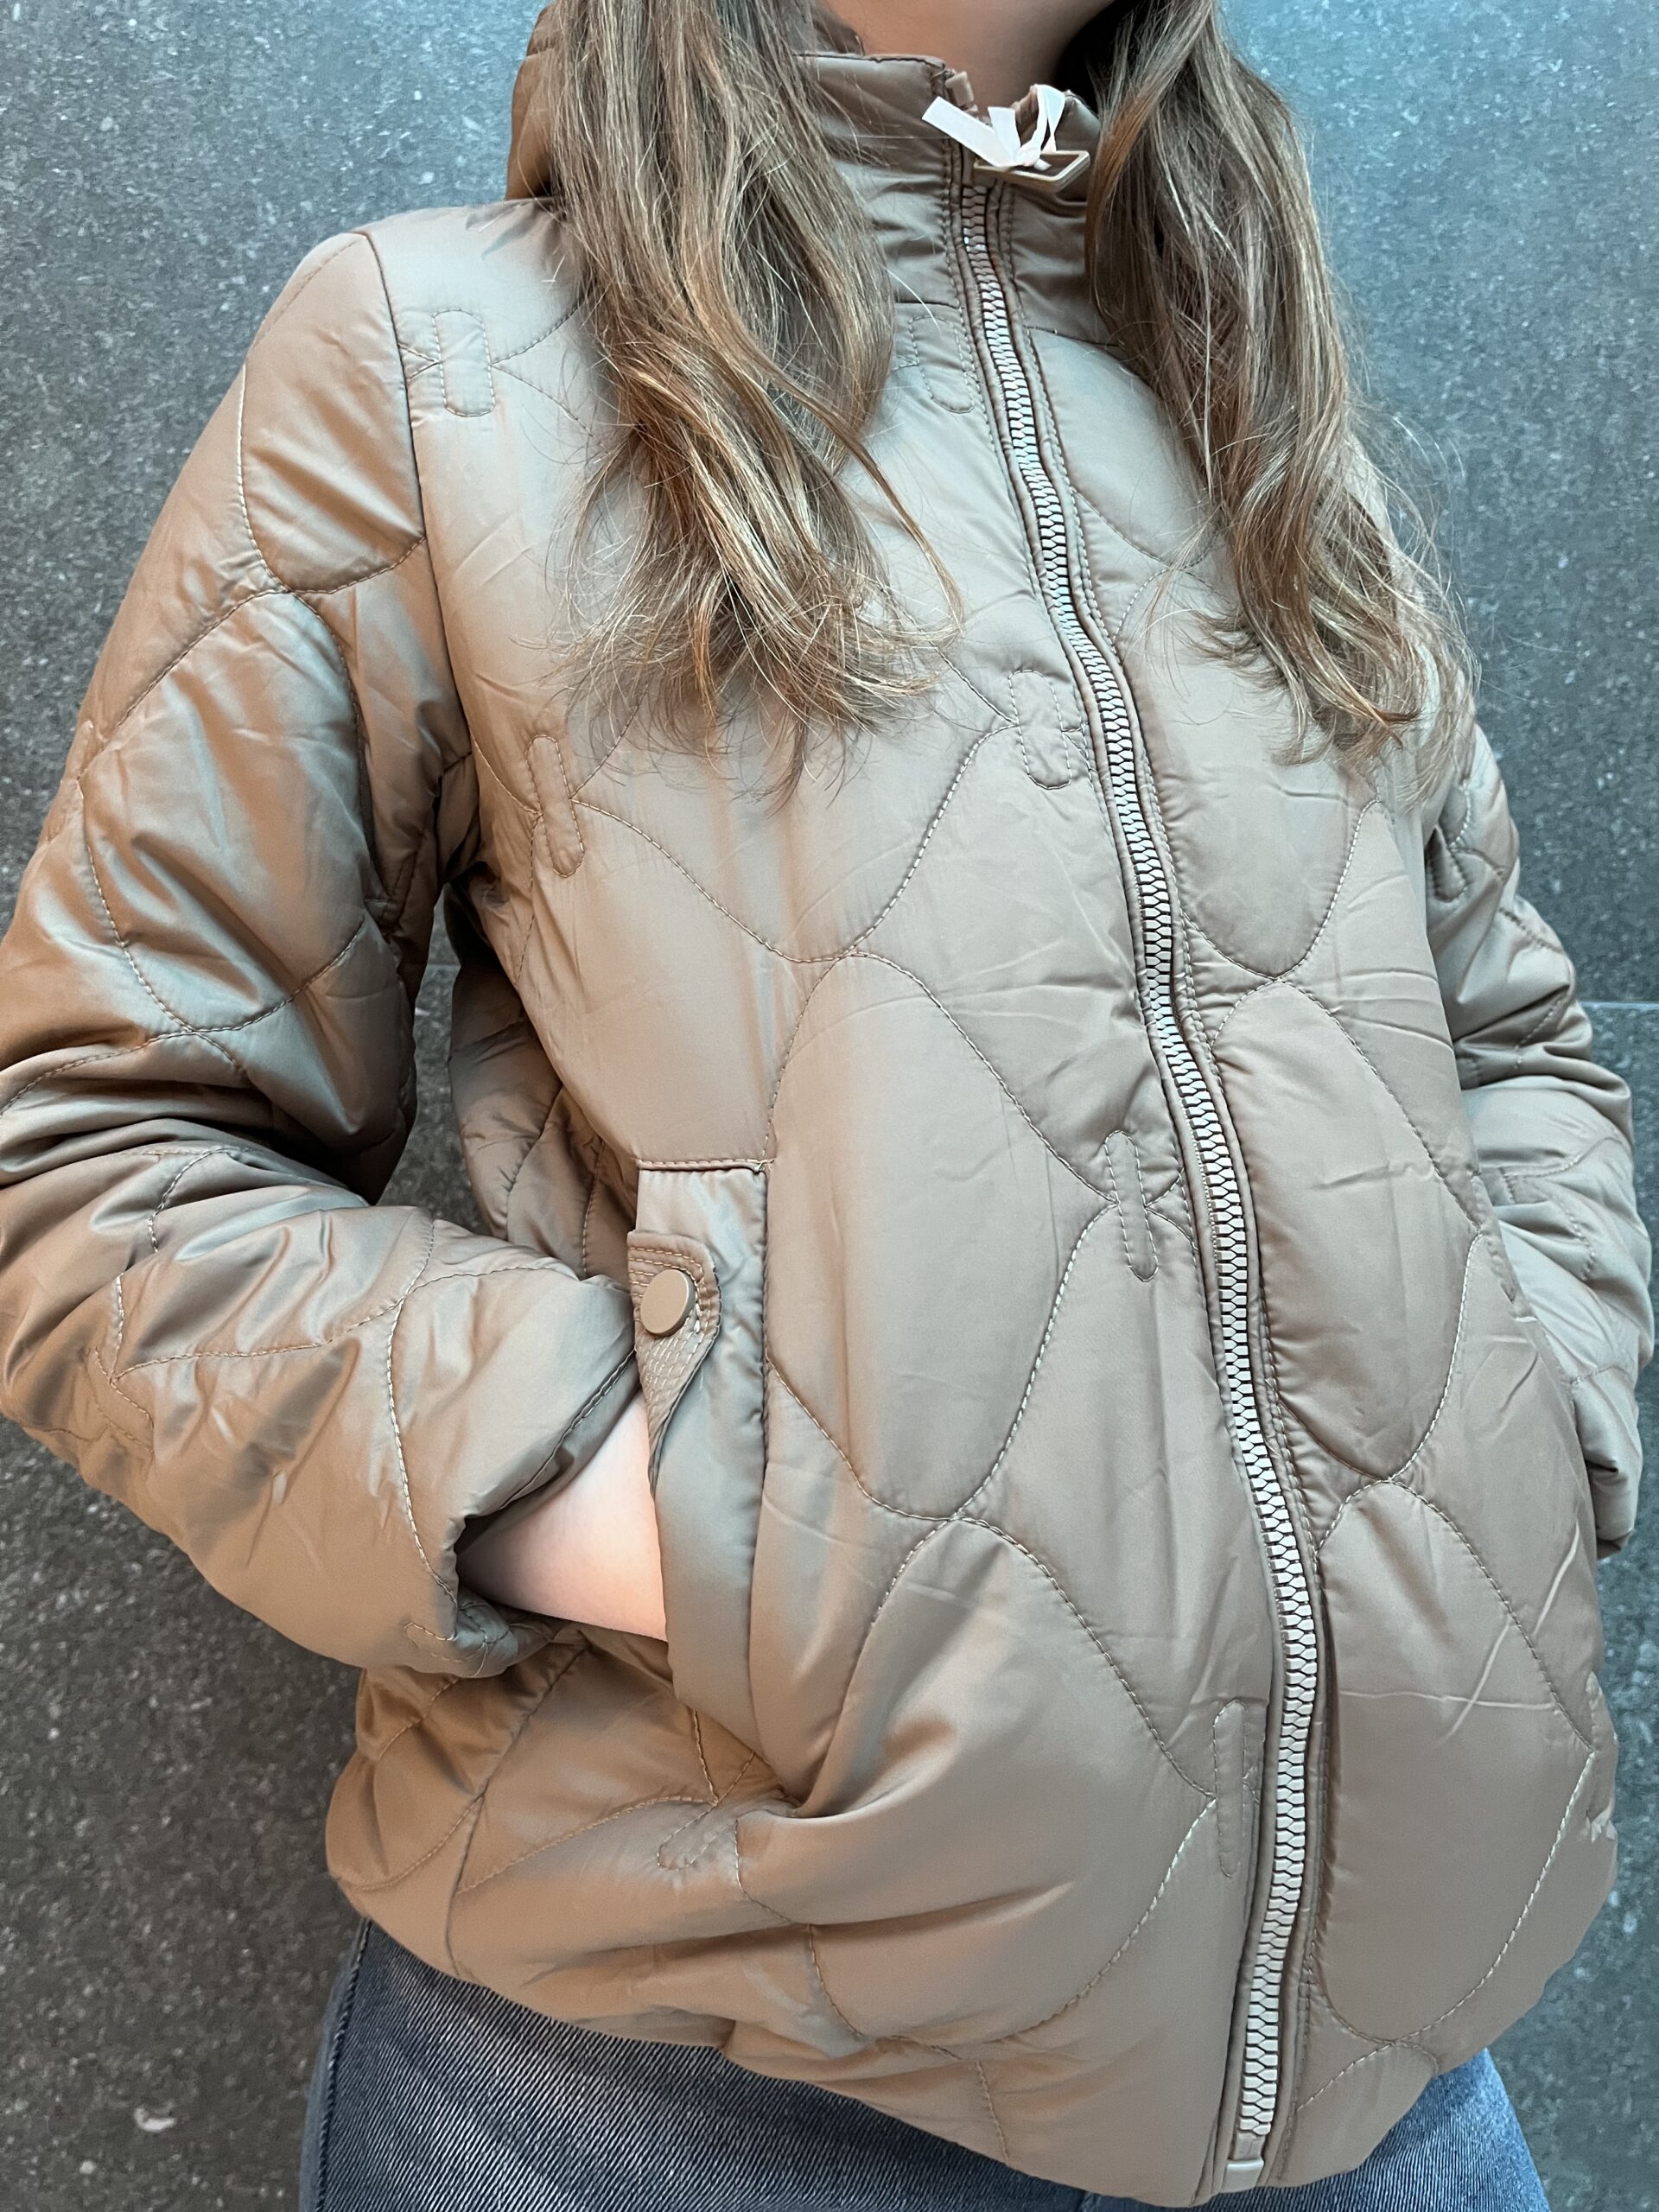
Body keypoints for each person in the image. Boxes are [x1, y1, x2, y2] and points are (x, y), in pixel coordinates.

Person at [0, 0, 1649, 2205]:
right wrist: (721, 1525)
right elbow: (99, 1159)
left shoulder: (1248, 382)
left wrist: (1520, 1437)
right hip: (676, 2095)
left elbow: (1511, 1046)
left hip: (1392, 2083)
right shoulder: (432, 354)